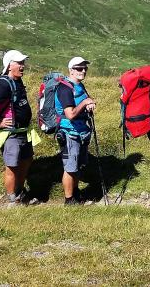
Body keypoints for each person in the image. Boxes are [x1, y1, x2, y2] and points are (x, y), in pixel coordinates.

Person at [0, 50, 35, 205]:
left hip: (23, 132)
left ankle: (19, 191)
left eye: (23, 62)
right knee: (12, 166)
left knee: (26, 160)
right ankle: (13, 199)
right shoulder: (3, 84)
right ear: (9, 65)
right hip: (11, 134)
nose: (22, 66)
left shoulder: (17, 82)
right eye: (19, 63)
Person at [56, 56, 95, 205]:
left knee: (77, 165)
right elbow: (70, 114)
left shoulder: (79, 86)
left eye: (85, 68)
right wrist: (85, 103)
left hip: (81, 131)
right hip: (69, 132)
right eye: (79, 68)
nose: (83, 70)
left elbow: (85, 99)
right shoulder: (65, 88)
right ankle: (69, 200)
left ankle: (75, 193)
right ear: (71, 70)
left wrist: (88, 103)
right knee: (70, 167)